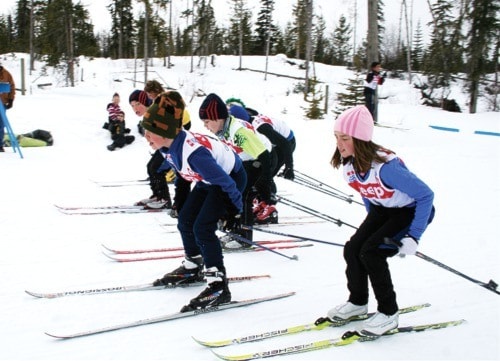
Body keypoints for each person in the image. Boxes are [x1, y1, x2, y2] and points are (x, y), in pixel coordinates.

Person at [327, 105, 435, 336]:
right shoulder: (350, 166)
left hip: (410, 211)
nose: (339, 143)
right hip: (383, 210)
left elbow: (426, 196)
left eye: (345, 138)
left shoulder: (387, 168)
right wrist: (371, 226)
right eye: (336, 137)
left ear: (361, 139)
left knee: (371, 253)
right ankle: (357, 303)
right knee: (353, 248)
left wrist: (414, 236)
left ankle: (388, 313)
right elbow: (368, 194)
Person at [141, 92, 246, 312]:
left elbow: (226, 182)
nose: (147, 137)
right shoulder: (166, 146)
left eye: (151, 132)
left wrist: (235, 212)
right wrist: (180, 200)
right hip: (207, 179)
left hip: (230, 179)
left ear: (165, 131)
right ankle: (193, 266)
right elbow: (181, 171)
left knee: (203, 228)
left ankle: (218, 286)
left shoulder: (196, 154)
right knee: (185, 220)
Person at [200, 93, 275, 248]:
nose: (205, 126)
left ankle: (244, 237)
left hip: (262, 158)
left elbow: (264, 156)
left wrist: (265, 183)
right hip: (248, 159)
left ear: (217, 118)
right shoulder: (223, 129)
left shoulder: (238, 133)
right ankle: (234, 230)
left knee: (245, 194)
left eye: (207, 122)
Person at [227, 99, 296, 202]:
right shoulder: (245, 125)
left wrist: (289, 167)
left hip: (286, 142)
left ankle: (269, 198)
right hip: (270, 142)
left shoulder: (261, 128)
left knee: (266, 171)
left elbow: (285, 144)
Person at [0, 64, 16, 152]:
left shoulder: (6, 74)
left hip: (2, 103)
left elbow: (12, 86)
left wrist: (11, 100)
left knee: (1, 124)